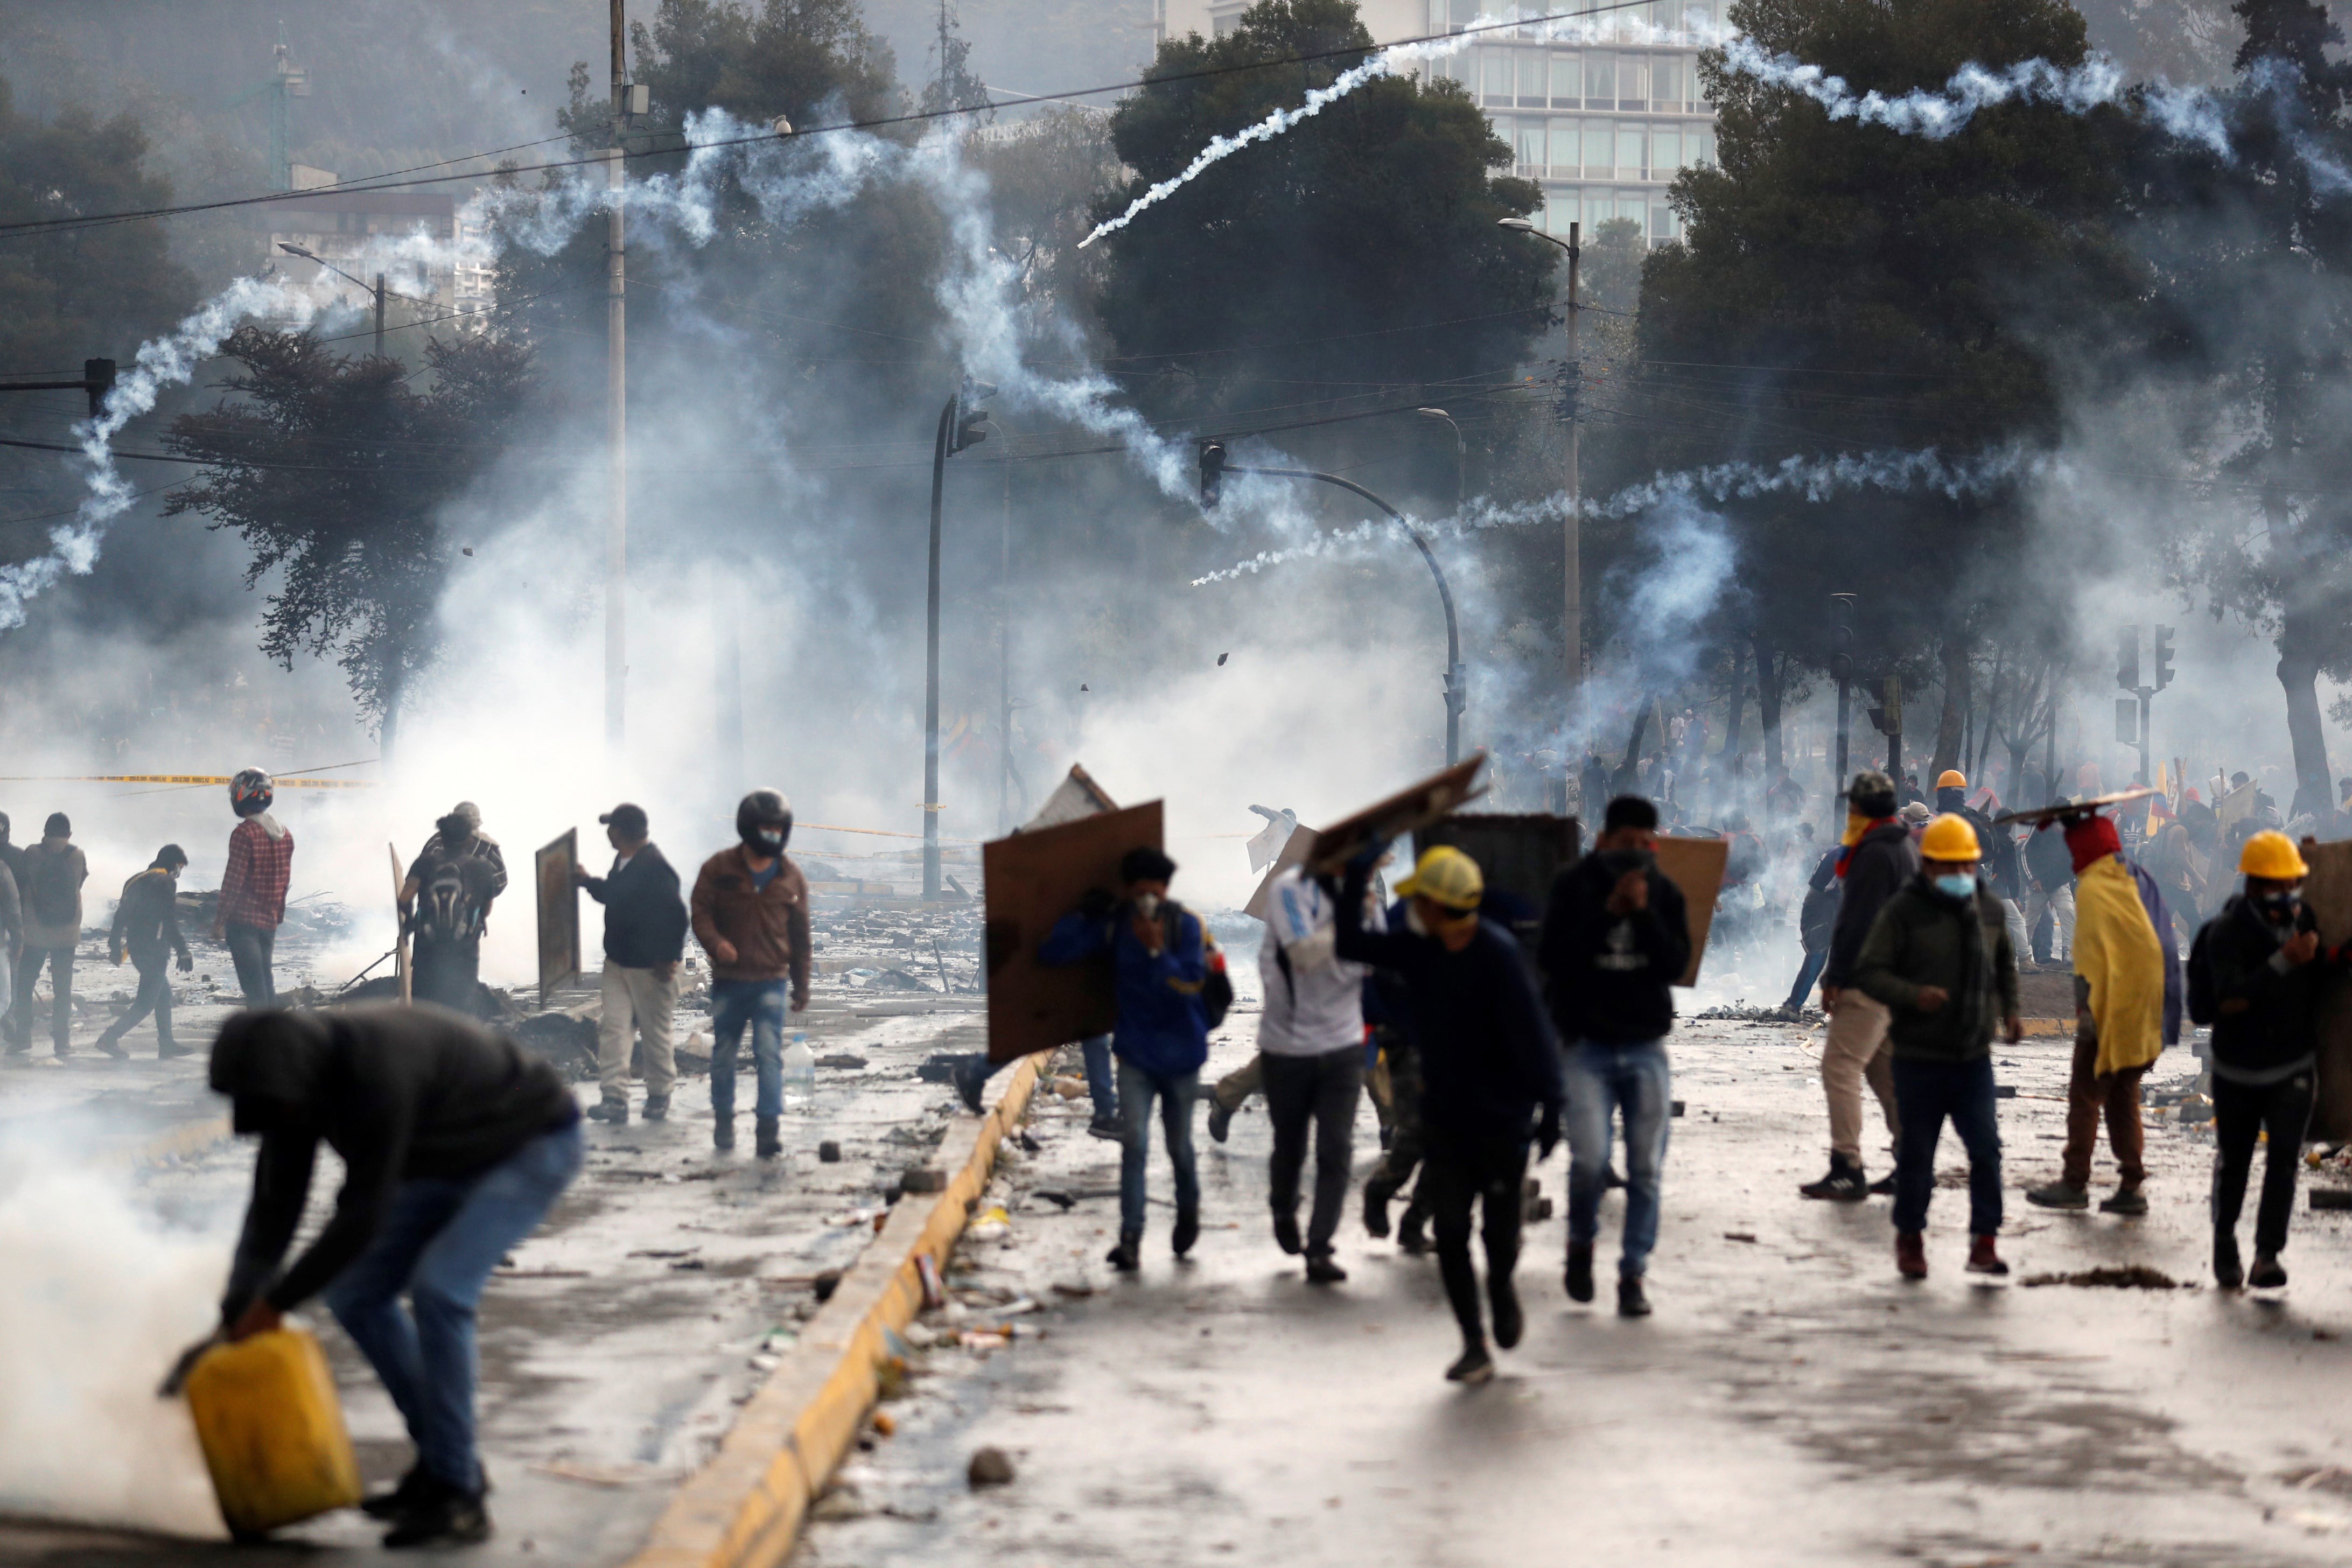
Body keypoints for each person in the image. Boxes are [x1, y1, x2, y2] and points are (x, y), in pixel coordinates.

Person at [208, 1006, 583, 1548]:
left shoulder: (376, 1072)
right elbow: (275, 1205)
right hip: (444, 1155)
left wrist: (276, 1305)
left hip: (528, 1143)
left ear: (298, 1079)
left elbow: (362, 1213)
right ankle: (441, 1462)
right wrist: (240, 1300)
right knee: (356, 1295)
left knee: (442, 1291)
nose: (274, 1114)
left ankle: (459, 1495)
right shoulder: (297, 1083)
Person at [1336, 844, 1562, 1384]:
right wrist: (1355, 875)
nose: (1412, 907)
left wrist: (1553, 1106)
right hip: (1445, 1115)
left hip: (1503, 1121)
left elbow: (1535, 1038)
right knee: (1454, 1231)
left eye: (1421, 899)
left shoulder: (1499, 955)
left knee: (1498, 1237)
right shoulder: (1420, 949)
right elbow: (1352, 943)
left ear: (1440, 904)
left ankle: (1502, 1285)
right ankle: (1473, 1342)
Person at [1850, 813, 2021, 1279]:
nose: (1960, 877)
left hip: (1972, 1061)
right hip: (1919, 1060)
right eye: (1950, 868)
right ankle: (1910, 1240)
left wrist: (2011, 1011)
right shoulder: (1903, 912)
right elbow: (1871, 971)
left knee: (1986, 1152)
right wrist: (1913, 997)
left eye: (1967, 867)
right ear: (1928, 867)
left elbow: (2005, 963)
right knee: (1917, 1158)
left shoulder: (1989, 910)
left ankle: (1984, 1243)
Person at [1539, 795, 1691, 1318]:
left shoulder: (1664, 891)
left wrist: (1644, 912)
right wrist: (1609, 914)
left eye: (1644, 845)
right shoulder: (1573, 886)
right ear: (1604, 840)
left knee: (1646, 1168)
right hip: (1586, 1045)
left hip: (1646, 1045)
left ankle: (1633, 1272)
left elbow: (1674, 963)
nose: (1634, 854)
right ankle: (1581, 1243)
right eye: (1624, 844)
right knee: (1588, 1159)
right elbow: (1555, 960)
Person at [1039, 845, 1216, 1272]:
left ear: (1166, 891)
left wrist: (1158, 952)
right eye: (1138, 893)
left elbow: (1192, 986)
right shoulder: (1115, 926)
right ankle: (1131, 1236)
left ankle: (1188, 1210)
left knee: (1179, 1147)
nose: (1146, 902)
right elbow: (1053, 953)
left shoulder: (1186, 927)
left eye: (1152, 893)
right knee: (1133, 1143)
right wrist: (1082, 915)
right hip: (1136, 1054)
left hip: (1181, 1056)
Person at [2193, 831, 2339, 1289]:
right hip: (2237, 1069)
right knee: (2234, 1161)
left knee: (2283, 1164)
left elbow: (2314, 972)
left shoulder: (2304, 918)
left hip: (2293, 1065)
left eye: (2292, 884)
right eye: (2278, 885)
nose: (2288, 895)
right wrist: (2282, 960)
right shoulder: (2225, 933)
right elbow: (2227, 1001)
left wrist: (2334, 959)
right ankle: (2224, 1240)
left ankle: (2267, 1256)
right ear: (2254, 886)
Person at [2025, 808, 2182, 1215]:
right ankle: (2132, 1186)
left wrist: (2087, 1017)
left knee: (2085, 1095)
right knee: (2123, 1095)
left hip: (2109, 1009)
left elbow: (2091, 960)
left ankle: (2074, 1182)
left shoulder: (2095, 888)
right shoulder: (2135, 877)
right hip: (2146, 1007)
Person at [1252, 863, 1374, 1283]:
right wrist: (1352, 923)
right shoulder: (1293, 889)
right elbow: (1304, 954)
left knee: (1336, 1147)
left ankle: (1320, 1247)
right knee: (1291, 1144)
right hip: (1287, 1047)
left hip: (1342, 1046)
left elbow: (1377, 964)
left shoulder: (1367, 903)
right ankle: (1283, 1207)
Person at [1800, 772, 1919, 1201]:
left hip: (1870, 977)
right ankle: (1913, 1162)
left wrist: (1836, 978)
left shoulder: (1872, 853)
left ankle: (1846, 1166)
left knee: (1840, 1067)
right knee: (1882, 1070)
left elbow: (1857, 920)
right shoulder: (1902, 845)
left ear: (1861, 810)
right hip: (1895, 975)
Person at [691, 789, 811, 1159]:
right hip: (730, 981)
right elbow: (700, 913)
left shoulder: (792, 878)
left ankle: (767, 1129)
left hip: (771, 981)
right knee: (724, 1054)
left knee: (769, 1053)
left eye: (780, 828)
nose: (774, 834)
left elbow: (801, 937)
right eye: (767, 828)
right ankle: (725, 1119)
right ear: (749, 828)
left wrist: (802, 985)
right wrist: (716, 943)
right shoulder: (718, 869)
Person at [577, 803, 689, 1126]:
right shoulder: (623, 862)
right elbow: (615, 895)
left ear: (622, 832)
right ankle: (614, 1097)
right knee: (615, 1028)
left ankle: (659, 1095)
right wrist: (588, 882)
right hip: (619, 963)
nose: (608, 833)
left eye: (611, 828)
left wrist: (669, 958)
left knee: (655, 1034)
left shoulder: (655, 867)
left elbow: (677, 916)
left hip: (650, 967)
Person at [97, 845, 194, 1059]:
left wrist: (114, 946)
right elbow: (169, 920)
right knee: (145, 1003)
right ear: (173, 864)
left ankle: (167, 1044)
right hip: (155, 950)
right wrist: (183, 950)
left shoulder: (135, 880)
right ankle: (109, 1039)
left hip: (137, 948)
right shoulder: (166, 883)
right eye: (179, 866)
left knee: (164, 995)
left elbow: (121, 916)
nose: (179, 871)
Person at [402, 810, 503, 1017]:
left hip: (427, 950)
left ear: (442, 836)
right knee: (462, 1011)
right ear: (469, 838)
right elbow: (487, 910)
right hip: (464, 952)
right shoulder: (482, 868)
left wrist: (411, 923)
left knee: (424, 1010)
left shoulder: (424, 863)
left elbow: (404, 899)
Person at [9, 813, 86, 1058]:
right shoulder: (77, 855)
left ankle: (23, 1038)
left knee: (24, 984)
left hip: (35, 933)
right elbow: (78, 884)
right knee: (63, 988)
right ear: (69, 834)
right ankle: (62, 1043)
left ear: (45, 832)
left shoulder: (31, 853)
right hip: (66, 933)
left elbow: (24, 884)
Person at [214, 769, 293, 1007]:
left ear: (241, 795)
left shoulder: (244, 833)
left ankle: (261, 1039)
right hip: (268, 922)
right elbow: (284, 881)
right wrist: (278, 915)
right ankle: (273, 1036)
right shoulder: (285, 834)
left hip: (243, 924)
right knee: (265, 982)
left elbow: (233, 882)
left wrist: (219, 921)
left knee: (254, 989)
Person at [1782, 842, 1842, 1016]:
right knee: (1817, 956)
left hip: (1822, 905)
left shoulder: (1837, 849)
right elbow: (1831, 887)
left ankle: (1794, 1004)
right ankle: (1793, 1005)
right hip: (1822, 906)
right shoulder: (1845, 854)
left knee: (1819, 957)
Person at [2022, 796, 2077, 963]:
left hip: (2060, 883)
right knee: (2030, 922)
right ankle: (2021, 954)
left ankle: (2069, 954)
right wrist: (2032, 879)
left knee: (2068, 912)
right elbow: (2025, 851)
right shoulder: (2041, 824)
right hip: (2039, 884)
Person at [0, 813, 23, 1044]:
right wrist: (20, 937)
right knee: (9, 983)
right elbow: (17, 903)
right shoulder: (18, 858)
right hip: (8, 928)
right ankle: (9, 1020)